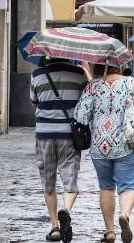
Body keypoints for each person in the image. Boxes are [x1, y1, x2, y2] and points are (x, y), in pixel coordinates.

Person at [74, 65, 134, 243]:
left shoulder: (92, 86)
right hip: (126, 144)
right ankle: (124, 215)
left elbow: (81, 116)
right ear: (120, 65)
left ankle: (109, 232)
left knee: (106, 187)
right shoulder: (131, 83)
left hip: (100, 146)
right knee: (128, 186)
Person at [30, 57, 87, 243]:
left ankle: (54, 227)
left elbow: (34, 101)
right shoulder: (79, 74)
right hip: (69, 134)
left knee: (48, 182)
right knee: (70, 179)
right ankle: (67, 211)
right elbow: (85, 102)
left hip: (44, 134)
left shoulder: (37, 74)